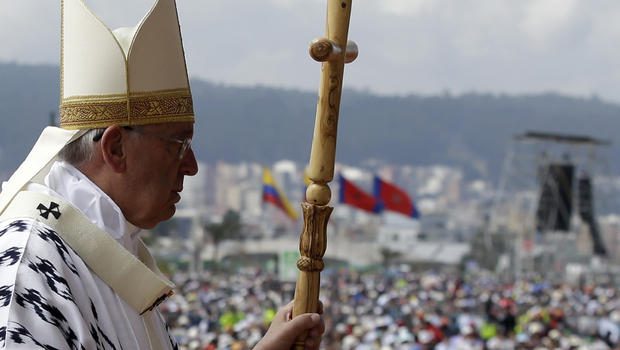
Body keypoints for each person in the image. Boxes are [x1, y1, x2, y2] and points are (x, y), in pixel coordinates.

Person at [0, 0, 324, 349]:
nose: (192, 166)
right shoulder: (27, 267)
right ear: (116, 149)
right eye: (178, 144)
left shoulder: (114, 250)